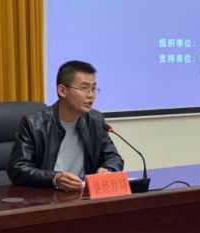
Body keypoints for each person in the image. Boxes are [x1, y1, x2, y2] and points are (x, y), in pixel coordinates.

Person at [7, 60, 124, 190]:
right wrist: (54, 178)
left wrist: (108, 169)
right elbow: (17, 169)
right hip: (48, 195)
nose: (91, 95)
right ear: (62, 90)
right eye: (84, 88)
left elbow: (113, 157)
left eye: (93, 88)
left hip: (83, 194)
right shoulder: (34, 124)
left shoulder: (95, 120)